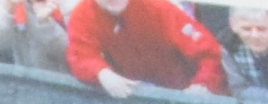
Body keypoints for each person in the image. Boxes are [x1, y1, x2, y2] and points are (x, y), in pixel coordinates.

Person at [65, 0, 225, 91]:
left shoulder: (158, 7)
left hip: (181, 92)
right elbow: (79, 55)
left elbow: (210, 52)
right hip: (132, 95)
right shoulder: (83, 14)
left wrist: (203, 84)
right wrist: (101, 73)